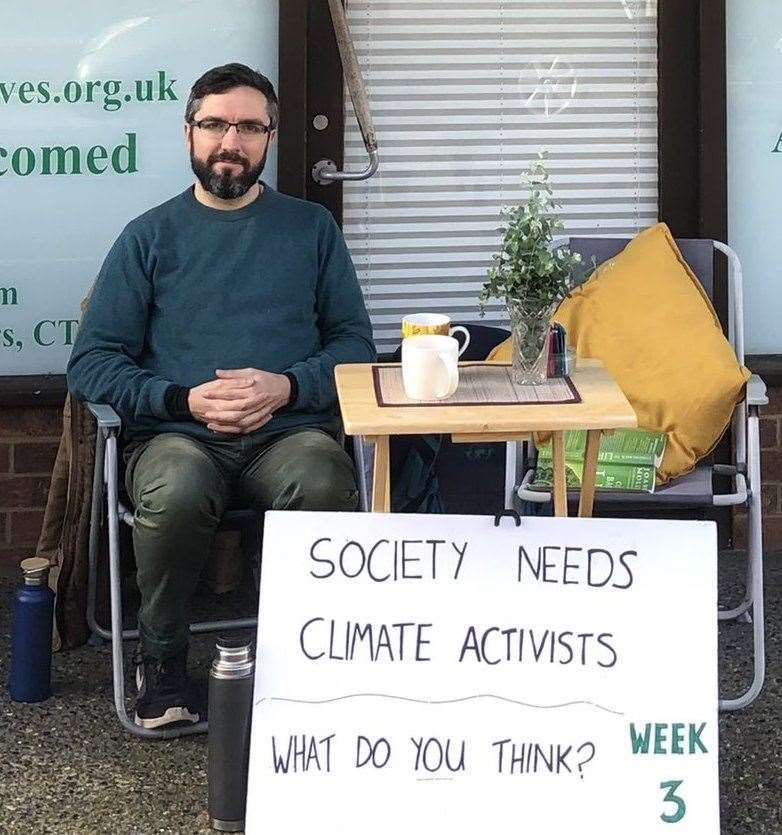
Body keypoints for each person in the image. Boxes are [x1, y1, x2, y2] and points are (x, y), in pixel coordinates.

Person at [67, 63, 376, 729]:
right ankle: (164, 667)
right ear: (188, 135)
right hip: (178, 438)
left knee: (325, 477)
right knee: (176, 485)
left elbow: (355, 344)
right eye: (215, 124)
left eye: (248, 126)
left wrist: (288, 384)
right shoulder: (149, 237)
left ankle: (308, 661)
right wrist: (182, 401)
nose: (230, 140)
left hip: (287, 434)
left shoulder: (310, 230)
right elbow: (92, 362)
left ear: (268, 138)